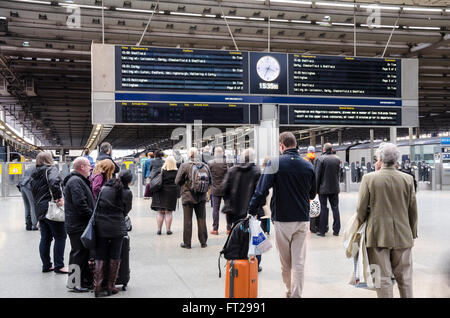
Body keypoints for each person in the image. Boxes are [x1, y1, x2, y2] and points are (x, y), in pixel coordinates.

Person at [248, 132, 316, 298]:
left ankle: (288, 290)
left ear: (281, 146)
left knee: (286, 262)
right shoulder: (308, 165)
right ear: (295, 145)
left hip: (282, 219)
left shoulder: (275, 162)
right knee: (299, 261)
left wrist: (252, 210)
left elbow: (261, 190)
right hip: (302, 219)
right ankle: (296, 294)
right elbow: (312, 194)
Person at [356, 143, 418, 298]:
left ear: (379, 159)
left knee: (382, 280)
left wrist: (358, 227)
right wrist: (412, 232)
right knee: (405, 279)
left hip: (377, 237)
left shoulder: (369, 178)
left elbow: (361, 209)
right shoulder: (408, 179)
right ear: (397, 160)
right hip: (403, 236)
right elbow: (413, 210)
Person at [93, 170, 133, 297]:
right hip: (117, 227)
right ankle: (111, 286)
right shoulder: (127, 193)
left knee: (100, 255)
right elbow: (126, 211)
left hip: (101, 226)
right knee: (115, 255)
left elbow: (97, 205)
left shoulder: (105, 189)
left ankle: (97, 286)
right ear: (129, 181)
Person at [222, 148, 262, 271]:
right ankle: (255, 263)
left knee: (237, 235)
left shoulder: (232, 170)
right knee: (254, 237)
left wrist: (229, 202)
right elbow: (259, 192)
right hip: (251, 211)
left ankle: (238, 258)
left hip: (234, 210)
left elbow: (224, 189)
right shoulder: (256, 171)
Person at [30, 152, 68, 274]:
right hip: (51, 208)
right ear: (49, 159)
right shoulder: (51, 169)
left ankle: (46, 265)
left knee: (45, 238)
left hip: (39, 209)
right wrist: (58, 198)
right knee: (60, 236)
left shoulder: (33, 173)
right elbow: (53, 182)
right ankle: (59, 266)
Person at [63, 157, 95, 293]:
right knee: (78, 253)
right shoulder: (76, 181)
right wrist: (92, 217)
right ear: (81, 167)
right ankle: (73, 283)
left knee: (82, 253)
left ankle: (83, 280)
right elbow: (80, 204)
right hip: (77, 224)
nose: (90, 168)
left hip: (79, 223)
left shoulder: (78, 180)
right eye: (88, 166)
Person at [175, 147, 211, 249]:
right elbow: (210, 182)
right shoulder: (205, 166)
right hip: (201, 197)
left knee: (187, 220)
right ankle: (203, 242)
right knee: (202, 219)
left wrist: (185, 183)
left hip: (188, 197)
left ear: (189, 155)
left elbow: (177, 181)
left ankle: (187, 243)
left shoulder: (184, 166)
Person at [315, 143, 342, 237]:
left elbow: (317, 175)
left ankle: (322, 231)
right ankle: (336, 230)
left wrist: (315, 189)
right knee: (335, 208)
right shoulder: (337, 159)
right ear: (331, 149)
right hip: (335, 188)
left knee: (323, 208)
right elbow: (339, 174)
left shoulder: (320, 159)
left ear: (323, 149)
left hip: (323, 189)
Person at [151, 156, 178, 235]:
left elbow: (153, 178)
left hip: (160, 193)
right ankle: (168, 230)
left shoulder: (161, 171)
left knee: (160, 212)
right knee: (168, 213)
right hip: (171, 194)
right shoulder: (176, 172)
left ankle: (159, 230)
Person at [208, 146, 230, 235]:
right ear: (222, 153)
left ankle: (215, 229)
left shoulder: (210, 163)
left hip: (215, 189)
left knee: (215, 210)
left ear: (214, 153)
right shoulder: (226, 163)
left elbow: (208, 177)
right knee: (228, 209)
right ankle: (229, 228)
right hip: (226, 189)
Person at [303, 146, 320, 233]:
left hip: (307, 186)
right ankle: (314, 227)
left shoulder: (305, 160)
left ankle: (309, 225)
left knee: (309, 206)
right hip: (315, 186)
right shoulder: (317, 159)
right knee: (315, 206)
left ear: (308, 151)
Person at [18, 163, 38, 231]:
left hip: (22, 185)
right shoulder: (37, 167)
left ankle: (28, 224)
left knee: (27, 206)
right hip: (28, 186)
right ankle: (34, 225)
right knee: (33, 205)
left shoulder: (31, 166)